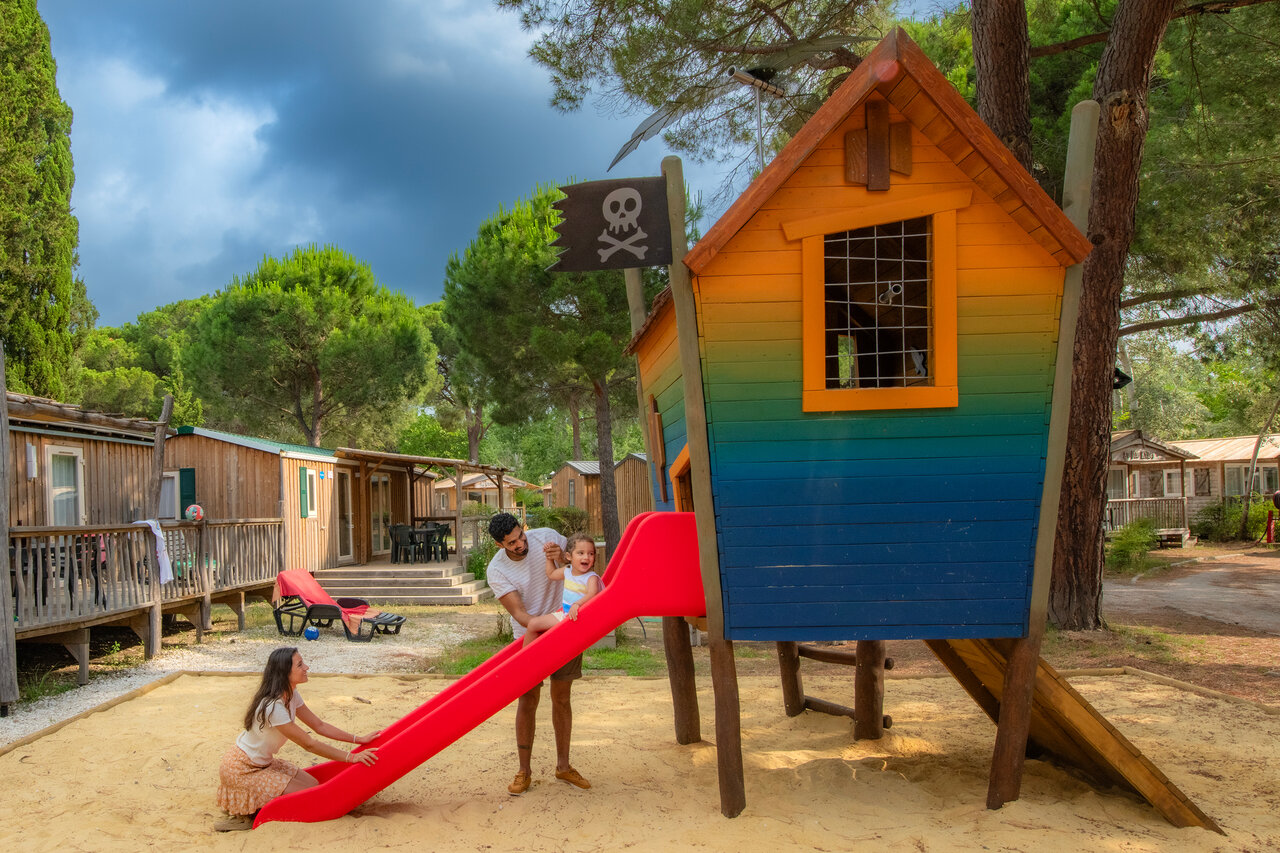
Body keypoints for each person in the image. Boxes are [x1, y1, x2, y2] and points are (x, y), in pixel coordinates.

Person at [214, 647, 381, 831]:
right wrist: (351, 757)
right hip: (242, 769)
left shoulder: (291, 694)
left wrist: (359, 739)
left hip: (263, 764)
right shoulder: (273, 707)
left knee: (314, 786)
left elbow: (319, 726)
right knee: (312, 797)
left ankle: (253, 806)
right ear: (285, 672)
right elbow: (308, 744)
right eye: (300, 665)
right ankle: (246, 816)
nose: (307, 667)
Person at [484, 512, 591, 795]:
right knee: (528, 700)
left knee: (562, 697)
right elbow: (521, 615)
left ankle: (564, 766)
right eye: (512, 543)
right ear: (500, 545)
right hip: (531, 636)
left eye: (521, 536)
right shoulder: (497, 570)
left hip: (566, 628)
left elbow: (584, 568)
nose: (521, 544)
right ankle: (524, 770)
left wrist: (564, 557)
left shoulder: (546, 537)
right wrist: (545, 630)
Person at [522, 532, 604, 647]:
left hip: (578, 618)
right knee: (532, 624)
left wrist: (577, 604)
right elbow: (551, 574)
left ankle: (525, 659)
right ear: (569, 556)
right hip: (566, 614)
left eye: (591, 554)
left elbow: (593, 594)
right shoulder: (568, 571)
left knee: (535, 625)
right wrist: (549, 558)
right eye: (581, 553)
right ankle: (524, 657)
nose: (586, 557)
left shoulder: (591, 578)